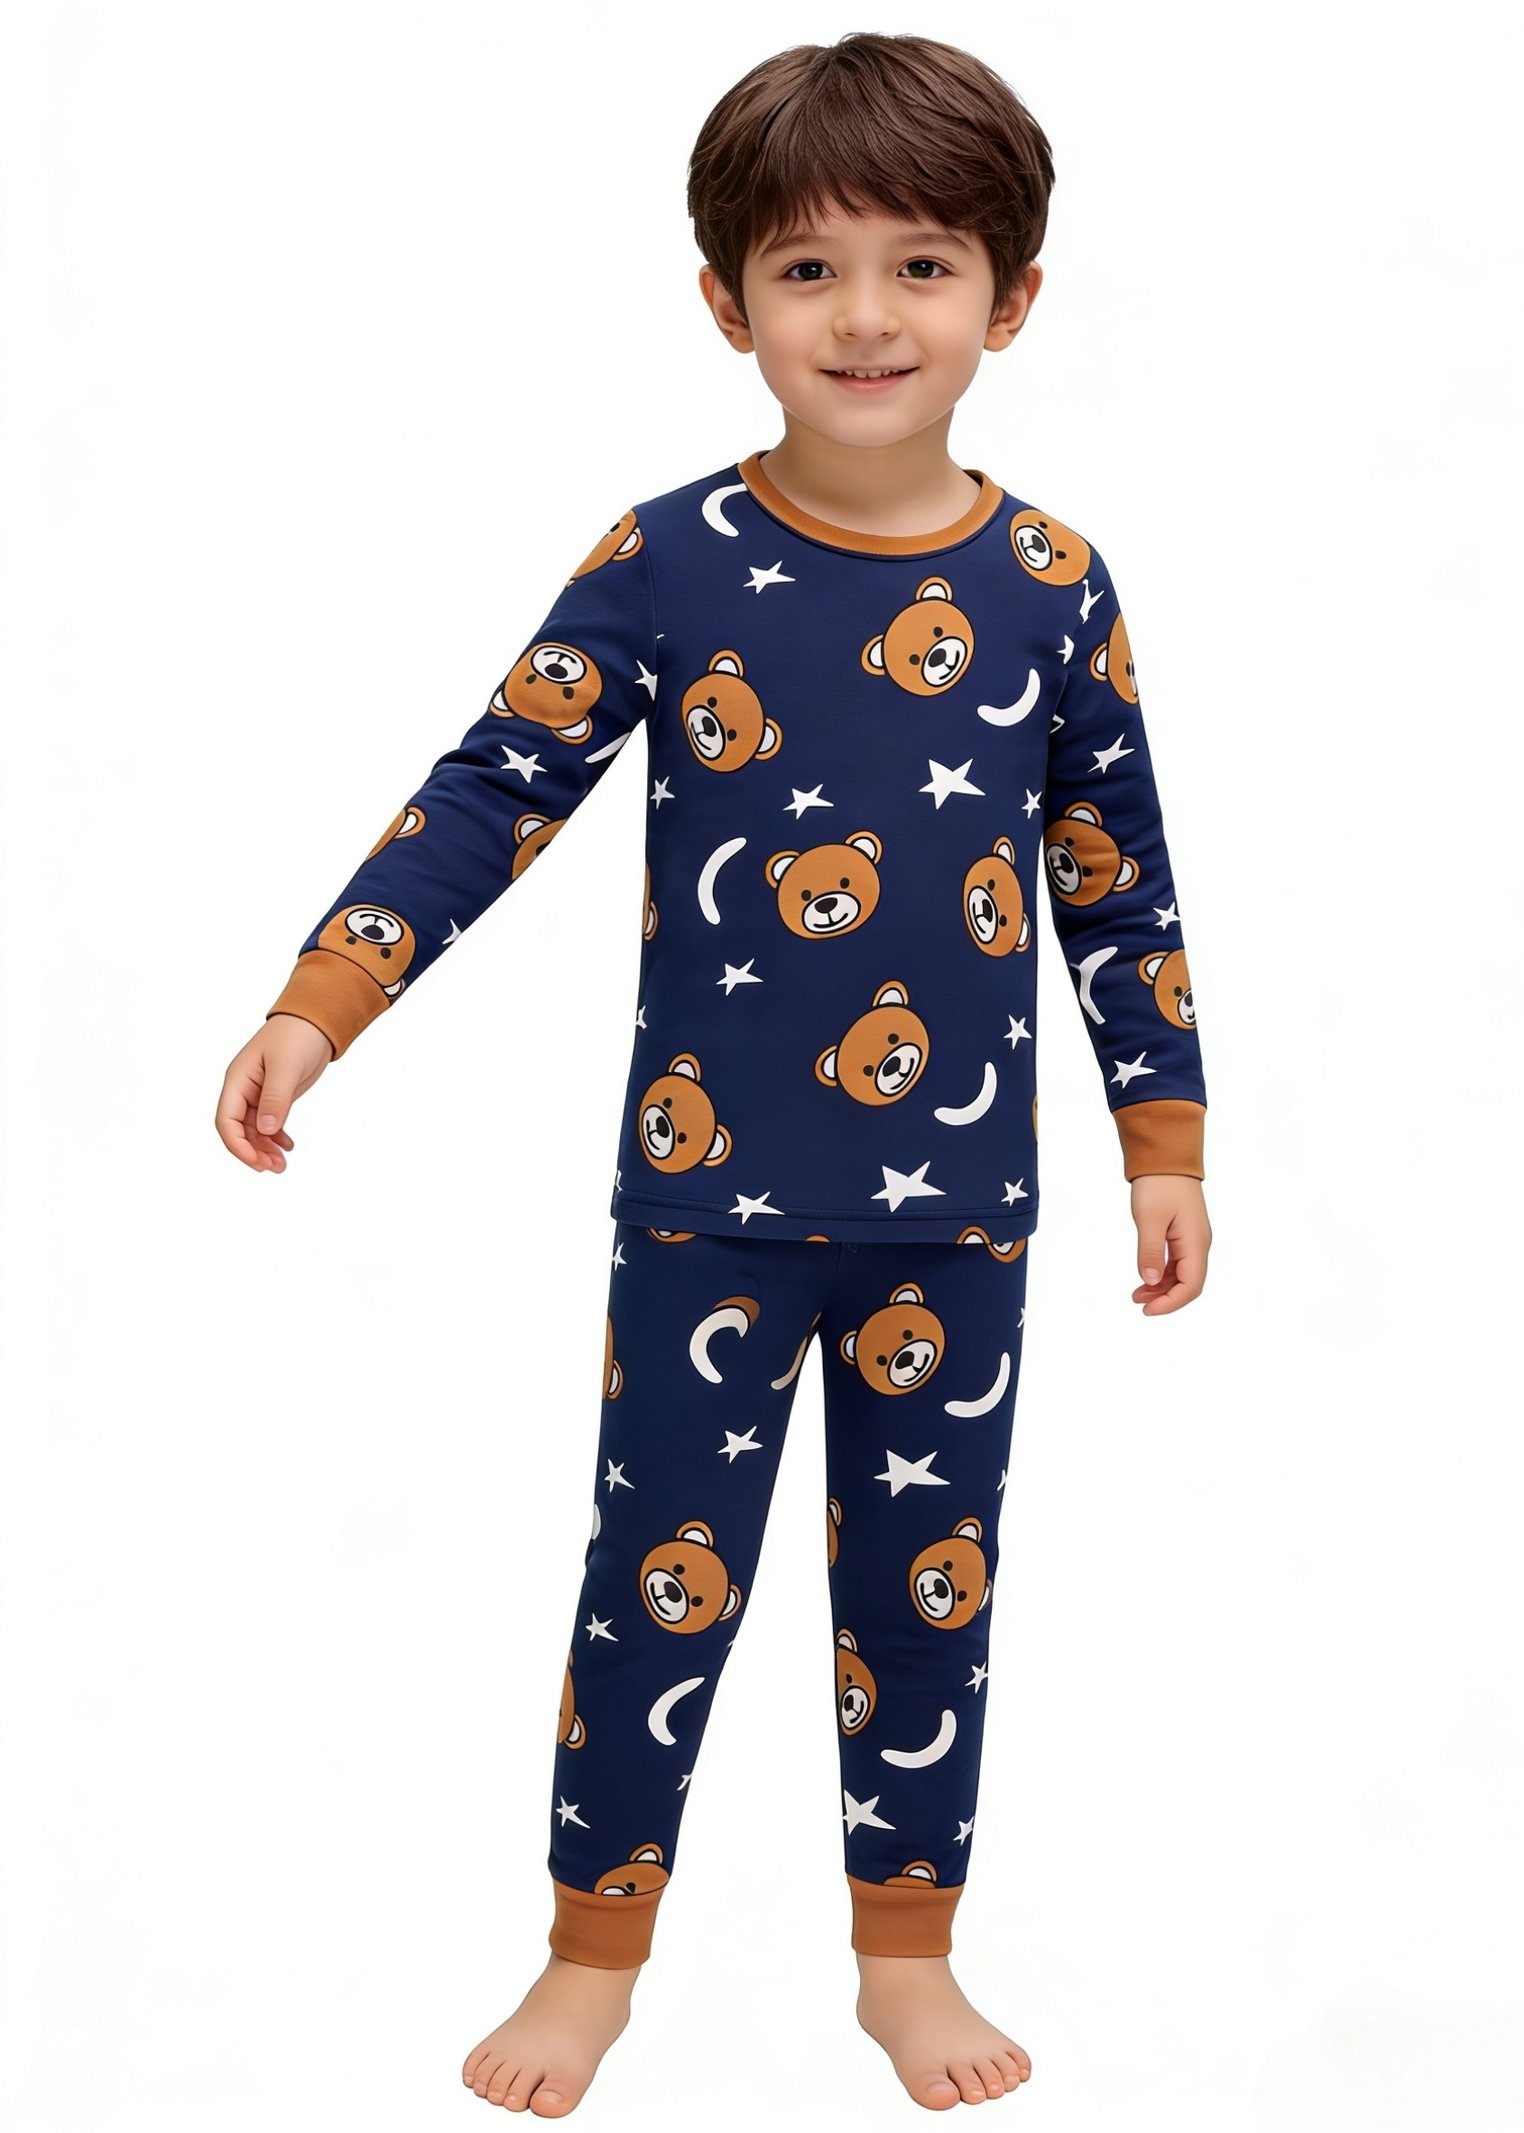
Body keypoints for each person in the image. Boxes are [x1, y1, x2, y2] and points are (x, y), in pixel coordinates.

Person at [214, 30, 1212, 2118]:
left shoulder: (1051, 585)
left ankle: (904, 1959)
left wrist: (1161, 1135)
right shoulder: (666, 560)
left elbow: (1114, 876)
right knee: (650, 1591)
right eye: (807, 269)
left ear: (1012, 299)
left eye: (921, 266)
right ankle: (588, 1961)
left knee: (923, 1597)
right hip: (707, 1204)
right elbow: (495, 783)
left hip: (959, 1215)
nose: (865, 316)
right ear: (725, 302)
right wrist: (323, 1001)